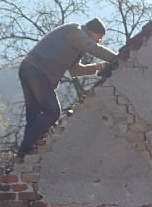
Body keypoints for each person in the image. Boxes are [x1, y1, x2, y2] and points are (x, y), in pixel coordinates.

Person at [17, 17, 120, 156]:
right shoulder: (75, 31)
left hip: (30, 68)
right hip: (37, 71)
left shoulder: (76, 44)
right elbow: (93, 48)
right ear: (92, 31)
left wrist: (97, 67)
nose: (99, 40)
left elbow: (75, 70)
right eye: (99, 37)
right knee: (52, 111)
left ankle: (25, 156)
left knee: (34, 117)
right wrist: (118, 59)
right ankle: (25, 151)